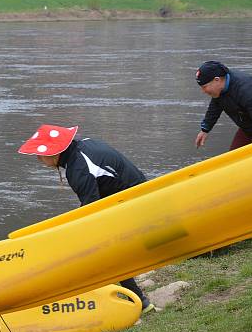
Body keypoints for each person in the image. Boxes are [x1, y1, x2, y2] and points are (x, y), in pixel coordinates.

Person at [18, 124, 154, 314]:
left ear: (55, 153)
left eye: (40, 155)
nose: (39, 159)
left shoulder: (77, 169)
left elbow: (92, 209)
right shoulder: (83, 145)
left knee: (105, 247)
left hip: (134, 204)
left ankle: (139, 300)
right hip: (135, 195)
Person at [194, 61, 252, 150]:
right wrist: (205, 129)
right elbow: (215, 107)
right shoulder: (220, 89)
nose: (203, 91)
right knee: (233, 156)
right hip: (249, 127)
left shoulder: (246, 89)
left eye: (204, 87)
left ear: (217, 80)